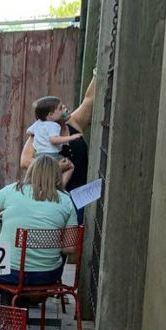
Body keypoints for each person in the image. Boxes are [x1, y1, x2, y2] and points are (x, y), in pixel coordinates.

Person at [0, 155, 78, 302]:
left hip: (9, 273)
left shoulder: (11, 191)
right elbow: (70, 248)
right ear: (57, 175)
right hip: (46, 275)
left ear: (31, 171)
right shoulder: (66, 201)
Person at [21, 72, 97, 221]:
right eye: (61, 108)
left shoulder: (73, 123)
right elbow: (25, 161)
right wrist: (56, 166)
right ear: (50, 115)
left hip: (81, 192)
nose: (66, 108)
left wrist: (96, 73)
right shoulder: (39, 133)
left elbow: (89, 100)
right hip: (52, 195)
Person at [27, 96, 80, 160]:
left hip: (38, 156)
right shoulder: (53, 126)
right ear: (51, 114)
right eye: (60, 108)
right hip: (52, 156)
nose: (64, 107)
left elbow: (28, 131)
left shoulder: (38, 124)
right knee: (69, 165)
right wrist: (71, 138)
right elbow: (54, 140)